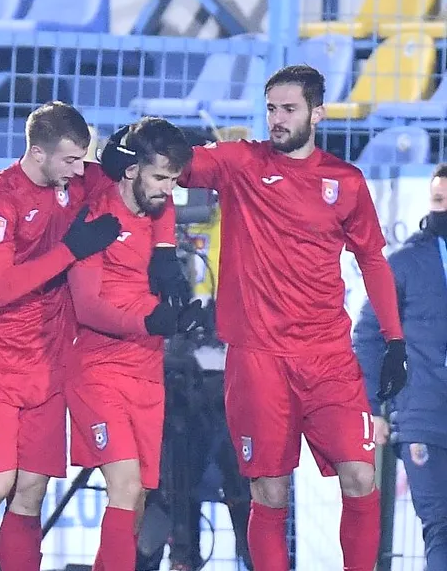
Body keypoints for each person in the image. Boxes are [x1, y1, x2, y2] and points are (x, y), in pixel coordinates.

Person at [0, 102, 182, 571]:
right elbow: (3, 289)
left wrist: (165, 247)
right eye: (69, 160)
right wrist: (72, 251)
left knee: (31, 491)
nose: (79, 169)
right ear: (38, 152)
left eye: (82, 158)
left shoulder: (75, 179)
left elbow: (149, 187)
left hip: (48, 361)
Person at [177, 64, 407, 571]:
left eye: (289, 109)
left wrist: (394, 340)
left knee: (361, 476)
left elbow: (371, 259)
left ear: (317, 113)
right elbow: (182, 166)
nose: (277, 120)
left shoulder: (344, 182)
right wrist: (152, 142)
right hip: (259, 360)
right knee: (270, 491)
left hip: (328, 358)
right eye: (271, 109)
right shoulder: (240, 164)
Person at [64, 117, 204, 570]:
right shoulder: (96, 213)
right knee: (124, 487)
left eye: (173, 180)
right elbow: (87, 307)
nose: (169, 189)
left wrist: (179, 315)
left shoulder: (158, 208)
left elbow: (161, 217)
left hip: (147, 372)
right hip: (98, 371)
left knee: (138, 497)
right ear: (131, 169)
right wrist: (151, 320)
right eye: (160, 177)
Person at [355, 162, 447, 571]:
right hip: (424, 418)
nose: (440, 209)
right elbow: (370, 334)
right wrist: (375, 407)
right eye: (438, 200)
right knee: (441, 528)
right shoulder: (406, 262)